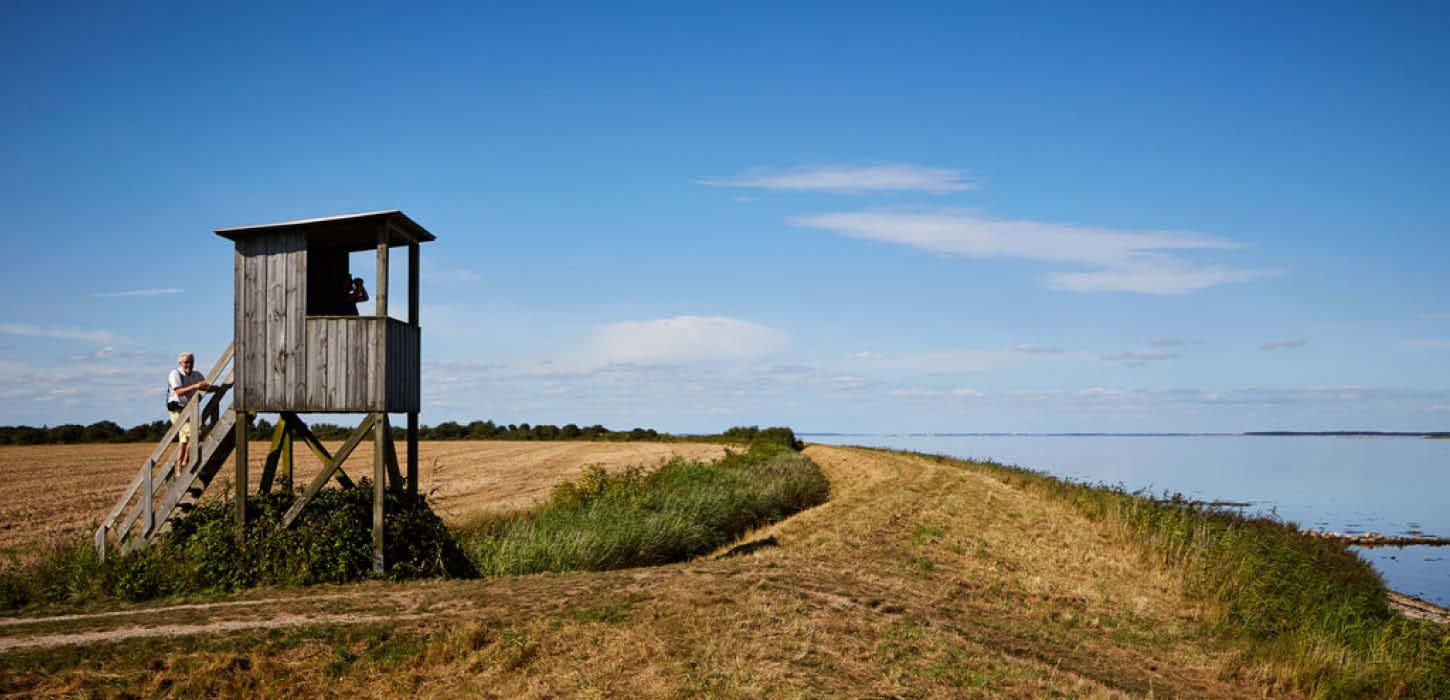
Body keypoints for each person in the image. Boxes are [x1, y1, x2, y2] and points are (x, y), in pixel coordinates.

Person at [166, 352, 212, 468]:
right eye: (186, 362)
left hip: (190, 410)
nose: (189, 365)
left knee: (184, 440)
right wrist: (196, 386)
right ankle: (185, 462)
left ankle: (178, 467)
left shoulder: (196, 375)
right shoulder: (175, 373)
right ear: (180, 363)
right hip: (177, 410)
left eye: (191, 362)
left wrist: (222, 387)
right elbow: (179, 392)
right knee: (195, 433)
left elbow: (206, 386)